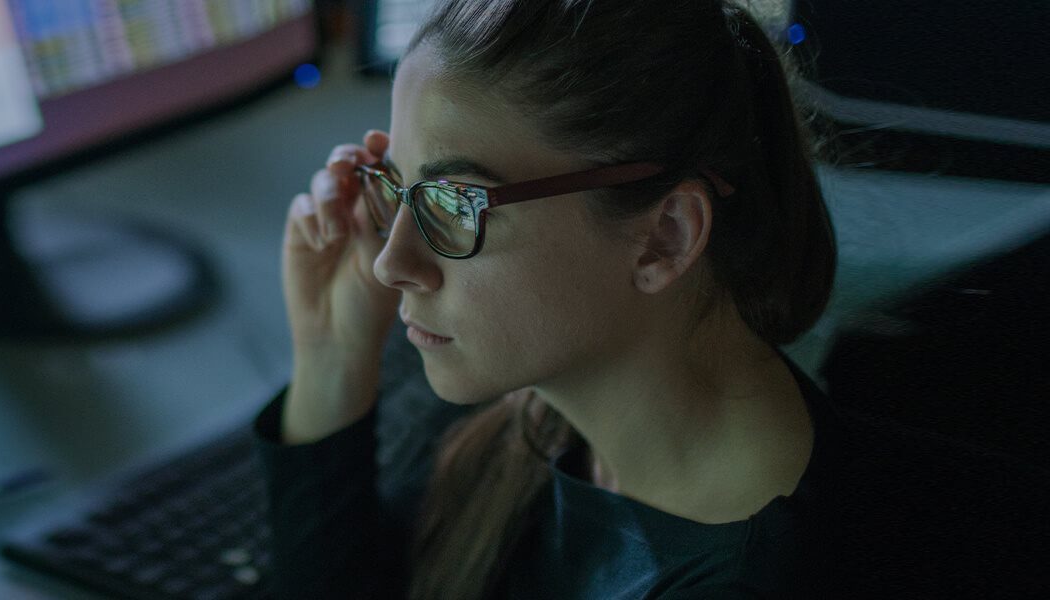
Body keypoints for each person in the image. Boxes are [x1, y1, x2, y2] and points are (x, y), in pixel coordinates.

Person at [259, 0, 1050, 597]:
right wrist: (331, 360)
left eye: (456, 204)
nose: (394, 262)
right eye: (393, 187)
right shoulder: (532, 427)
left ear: (665, 237)